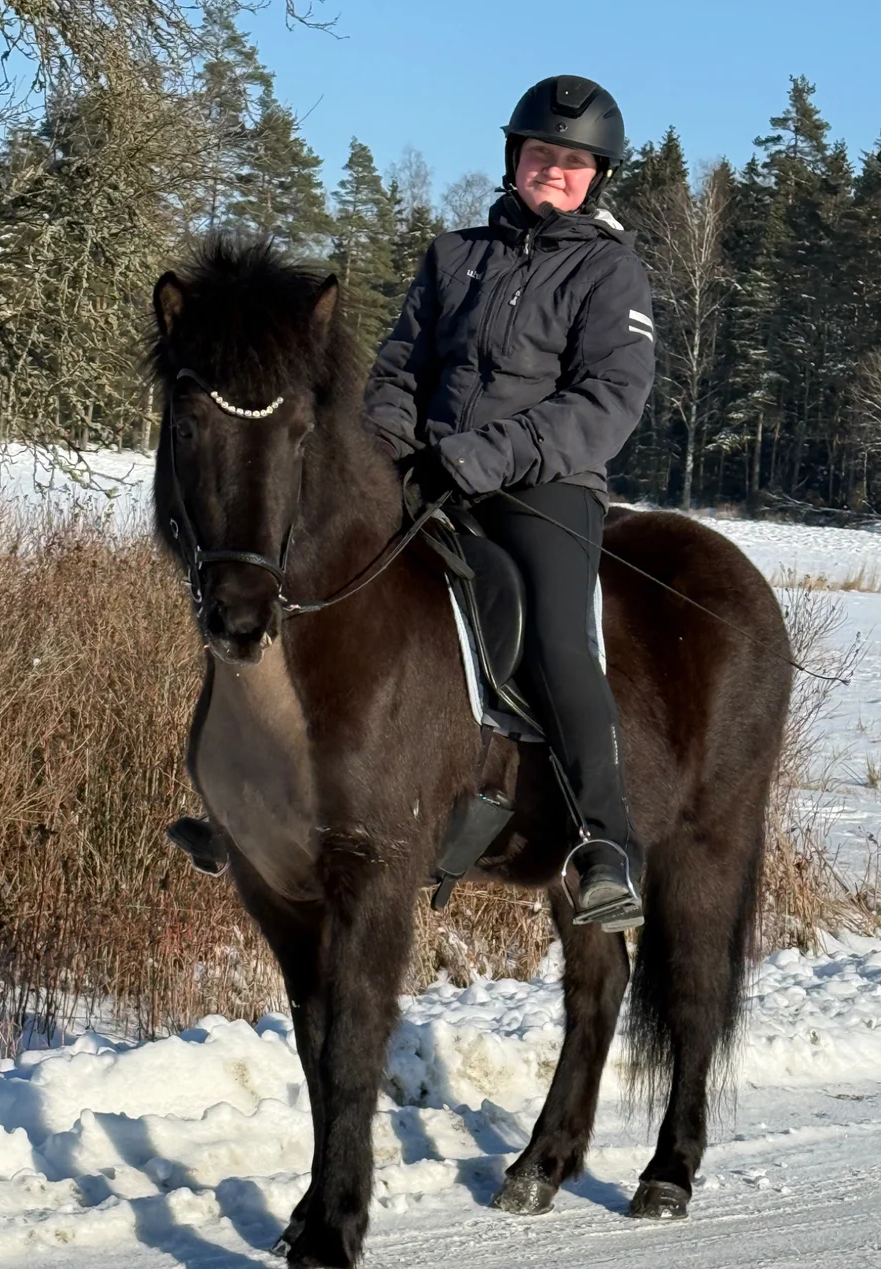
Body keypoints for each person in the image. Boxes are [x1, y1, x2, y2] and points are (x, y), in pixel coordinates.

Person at [364, 75, 655, 929]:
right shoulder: (453, 255)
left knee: (560, 640)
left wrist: (486, 455)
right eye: (539, 155)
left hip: (544, 487)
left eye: (571, 162)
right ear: (513, 158)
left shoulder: (611, 273)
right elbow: (396, 373)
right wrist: (388, 453)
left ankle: (605, 840)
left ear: (595, 176)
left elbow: (607, 399)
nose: (552, 172)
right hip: (430, 474)